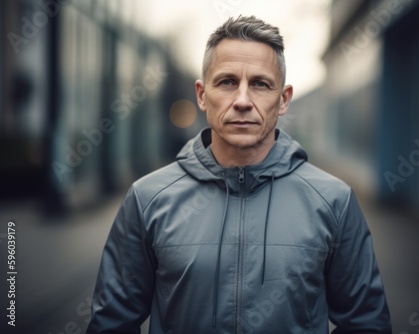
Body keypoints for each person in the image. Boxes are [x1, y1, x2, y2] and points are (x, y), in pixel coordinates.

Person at [86, 15, 392, 334]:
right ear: (202, 95)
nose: (243, 101)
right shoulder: (147, 198)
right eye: (227, 82)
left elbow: (366, 323)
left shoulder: (334, 201)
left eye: (260, 84)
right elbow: (112, 323)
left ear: (283, 99)